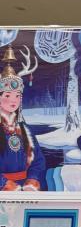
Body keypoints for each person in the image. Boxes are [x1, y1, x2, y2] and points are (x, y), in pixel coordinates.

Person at [0, 56, 45, 191]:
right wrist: (3, 183)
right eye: (7, 95)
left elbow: (38, 160)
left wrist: (33, 179)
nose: (13, 100)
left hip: (25, 189)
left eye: (17, 96)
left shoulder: (25, 129)